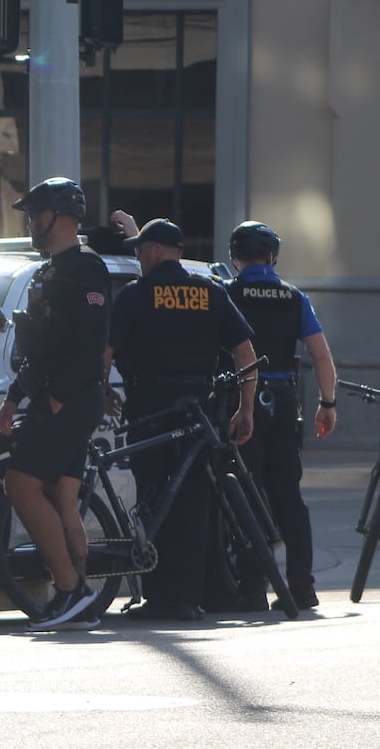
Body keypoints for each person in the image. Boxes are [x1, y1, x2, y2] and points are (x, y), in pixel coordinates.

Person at [105, 217, 258, 621]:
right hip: (199, 410)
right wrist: (246, 408)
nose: (137, 256)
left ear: (156, 250)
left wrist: (102, 390)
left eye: (140, 249)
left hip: (151, 408)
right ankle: (189, 598)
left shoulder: (135, 295)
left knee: (154, 498)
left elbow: (106, 352)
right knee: (193, 502)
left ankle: (159, 596)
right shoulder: (210, 292)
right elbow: (245, 352)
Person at [0, 177, 111, 631]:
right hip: (59, 397)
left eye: (33, 214)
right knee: (63, 498)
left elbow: (91, 342)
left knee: (20, 486)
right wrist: (12, 399)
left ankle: (69, 589)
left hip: (70, 400)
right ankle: (77, 600)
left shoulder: (83, 268)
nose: (29, 223)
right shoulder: (51, 270)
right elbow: (40, 348)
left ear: (55, 216)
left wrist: (60, 398)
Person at [224, 220, 337, 612]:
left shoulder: (230, 292)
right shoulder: (294, 296)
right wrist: (328, 403)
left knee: (249, 494)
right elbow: (320, 354)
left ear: (235, 257)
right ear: (272, 257)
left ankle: (253, 588)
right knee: (289, 495)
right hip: (286, 400)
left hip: (244, 402)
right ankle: (302, 588)